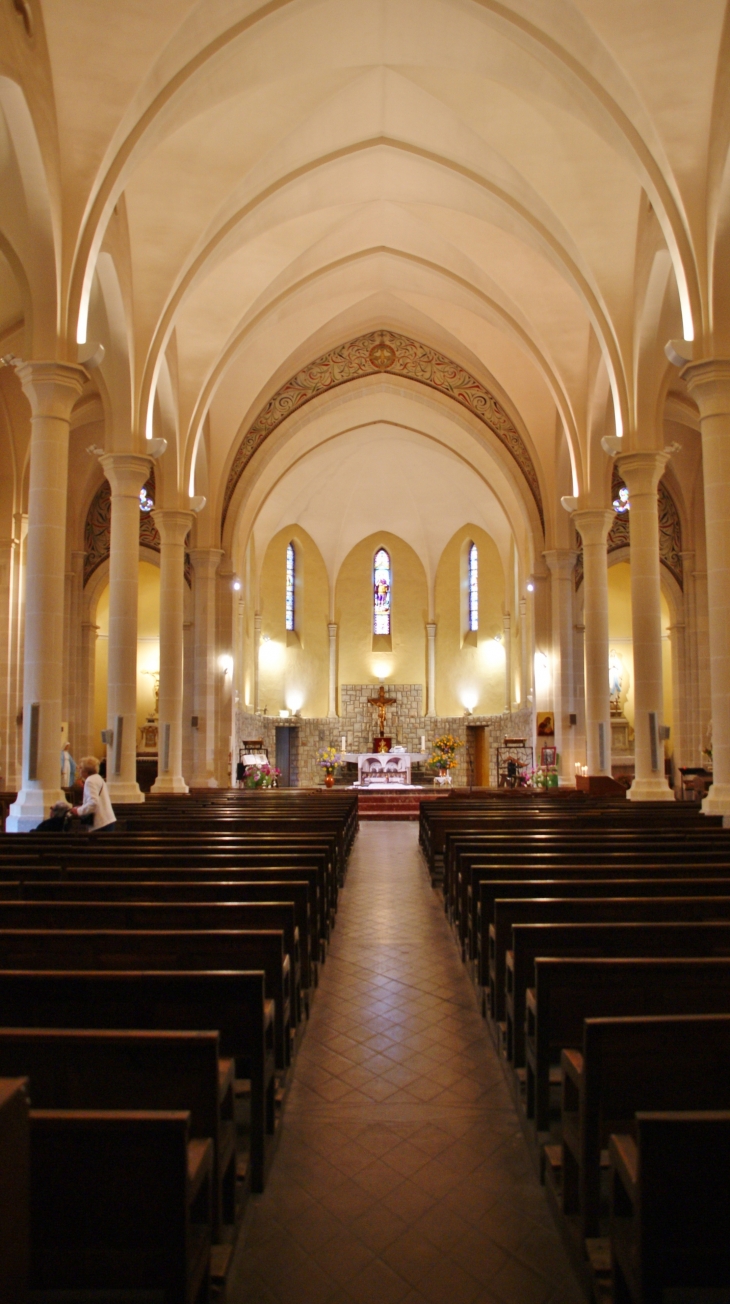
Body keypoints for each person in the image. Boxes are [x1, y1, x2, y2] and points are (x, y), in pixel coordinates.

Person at [69, 756, 116, 832]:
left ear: (86, 771)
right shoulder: (98, 778)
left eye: (80, 768)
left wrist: (78, 811)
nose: (79, 770)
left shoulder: (90, 781)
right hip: (107, 820)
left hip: (100, 823)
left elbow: (93, 803)